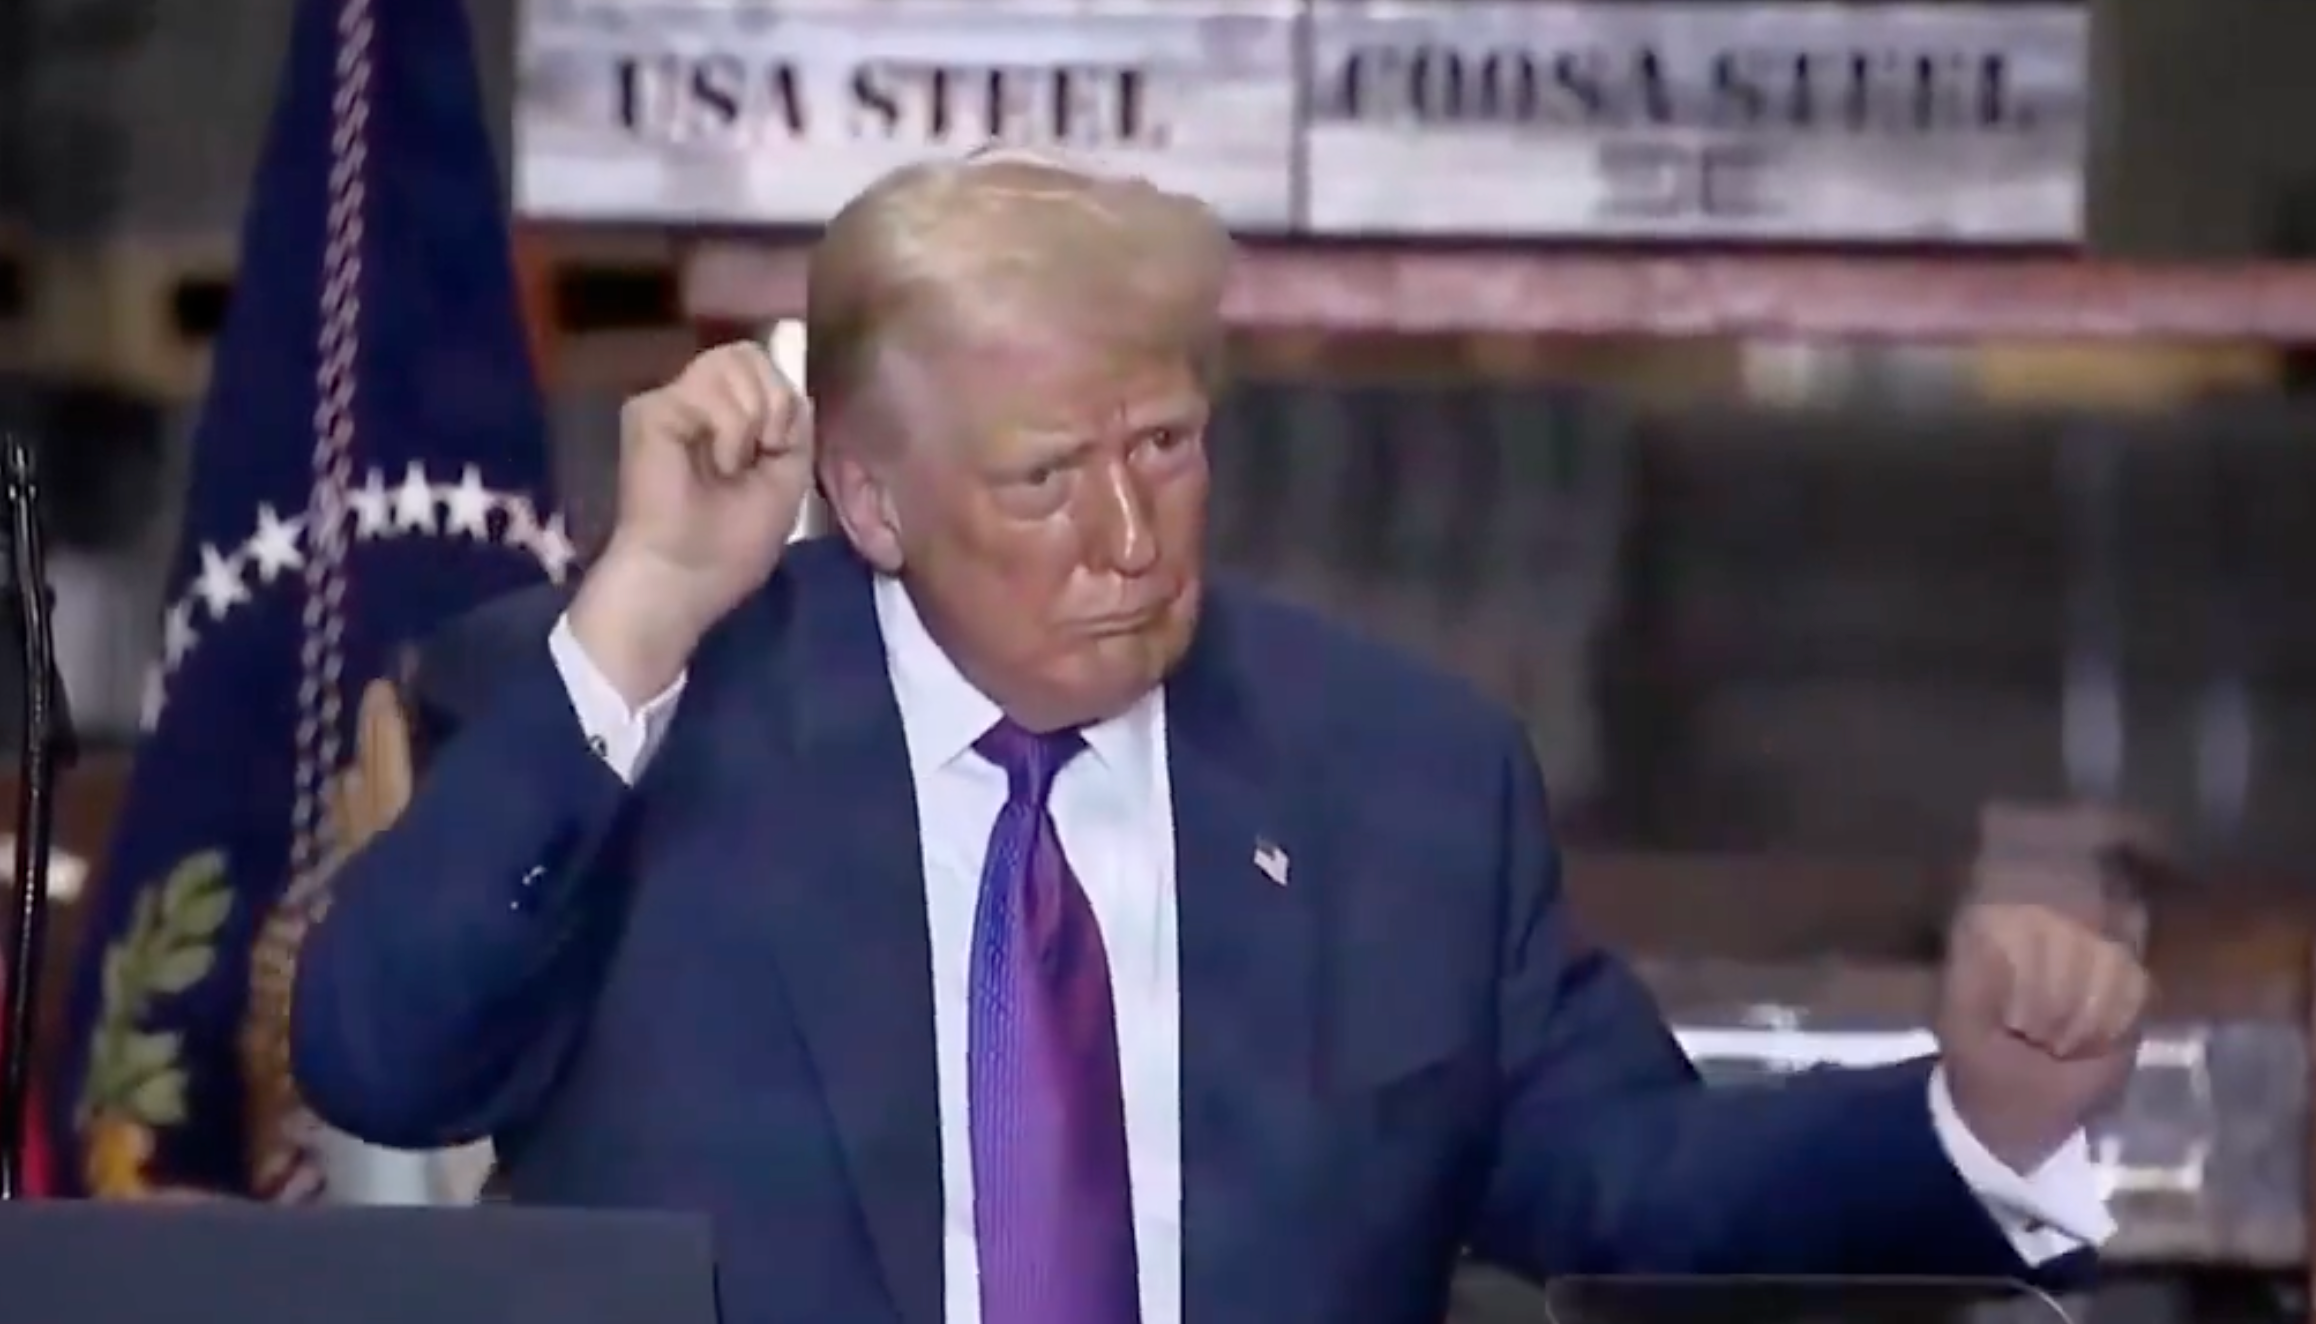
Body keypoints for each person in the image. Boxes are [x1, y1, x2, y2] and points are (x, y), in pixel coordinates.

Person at [291, 154, 2149, 1324]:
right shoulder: (651, 720)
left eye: (1165, 448)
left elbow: (1627, 1184)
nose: (1127, 539)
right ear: (866, 496)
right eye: (1042, 479)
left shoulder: (1399, 781)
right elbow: (381, 1063)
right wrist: (640, 610)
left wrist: (1974, 1121)